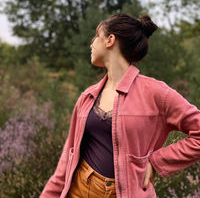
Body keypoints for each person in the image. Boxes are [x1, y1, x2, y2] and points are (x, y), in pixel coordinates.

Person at [40, 13, 200, 198]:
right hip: (78, 189)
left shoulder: (156, 93)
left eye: (96, 37)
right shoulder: (87, 96)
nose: (91, 44)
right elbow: (67, 159)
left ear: (110, 40)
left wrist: (156, 162)